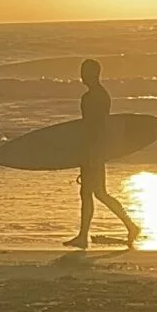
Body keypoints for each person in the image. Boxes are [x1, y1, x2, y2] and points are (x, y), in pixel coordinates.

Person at [63, 59, 141, 249]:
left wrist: (91, 151)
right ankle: (129, 226)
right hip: (97, 149)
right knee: (97, 193)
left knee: (92, 193)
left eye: (84, 72)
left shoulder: (92, 97)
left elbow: (95, 127)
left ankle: (85, 237)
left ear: (93, 74)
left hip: (93, 149)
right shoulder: (101, 94)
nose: (81, 75)